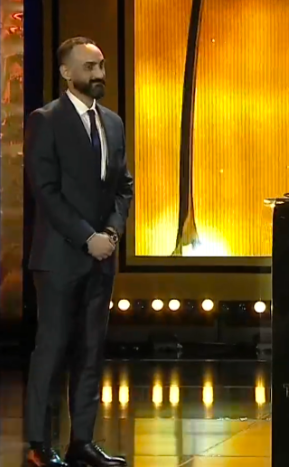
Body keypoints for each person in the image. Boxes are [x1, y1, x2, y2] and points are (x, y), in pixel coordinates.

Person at [23, 37, 133, 467]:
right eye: (89, 67)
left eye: (101, 65)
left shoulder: (113, 123)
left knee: (91, 352)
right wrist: (87, 237)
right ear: (67, 73)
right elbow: (46, 191)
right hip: (59, 258)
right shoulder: (45, 120)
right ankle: (38, 445)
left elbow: (123, 187)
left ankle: (82, 443)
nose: (99, 73)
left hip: (102, 257)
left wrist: (111, 232)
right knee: (52, 351)